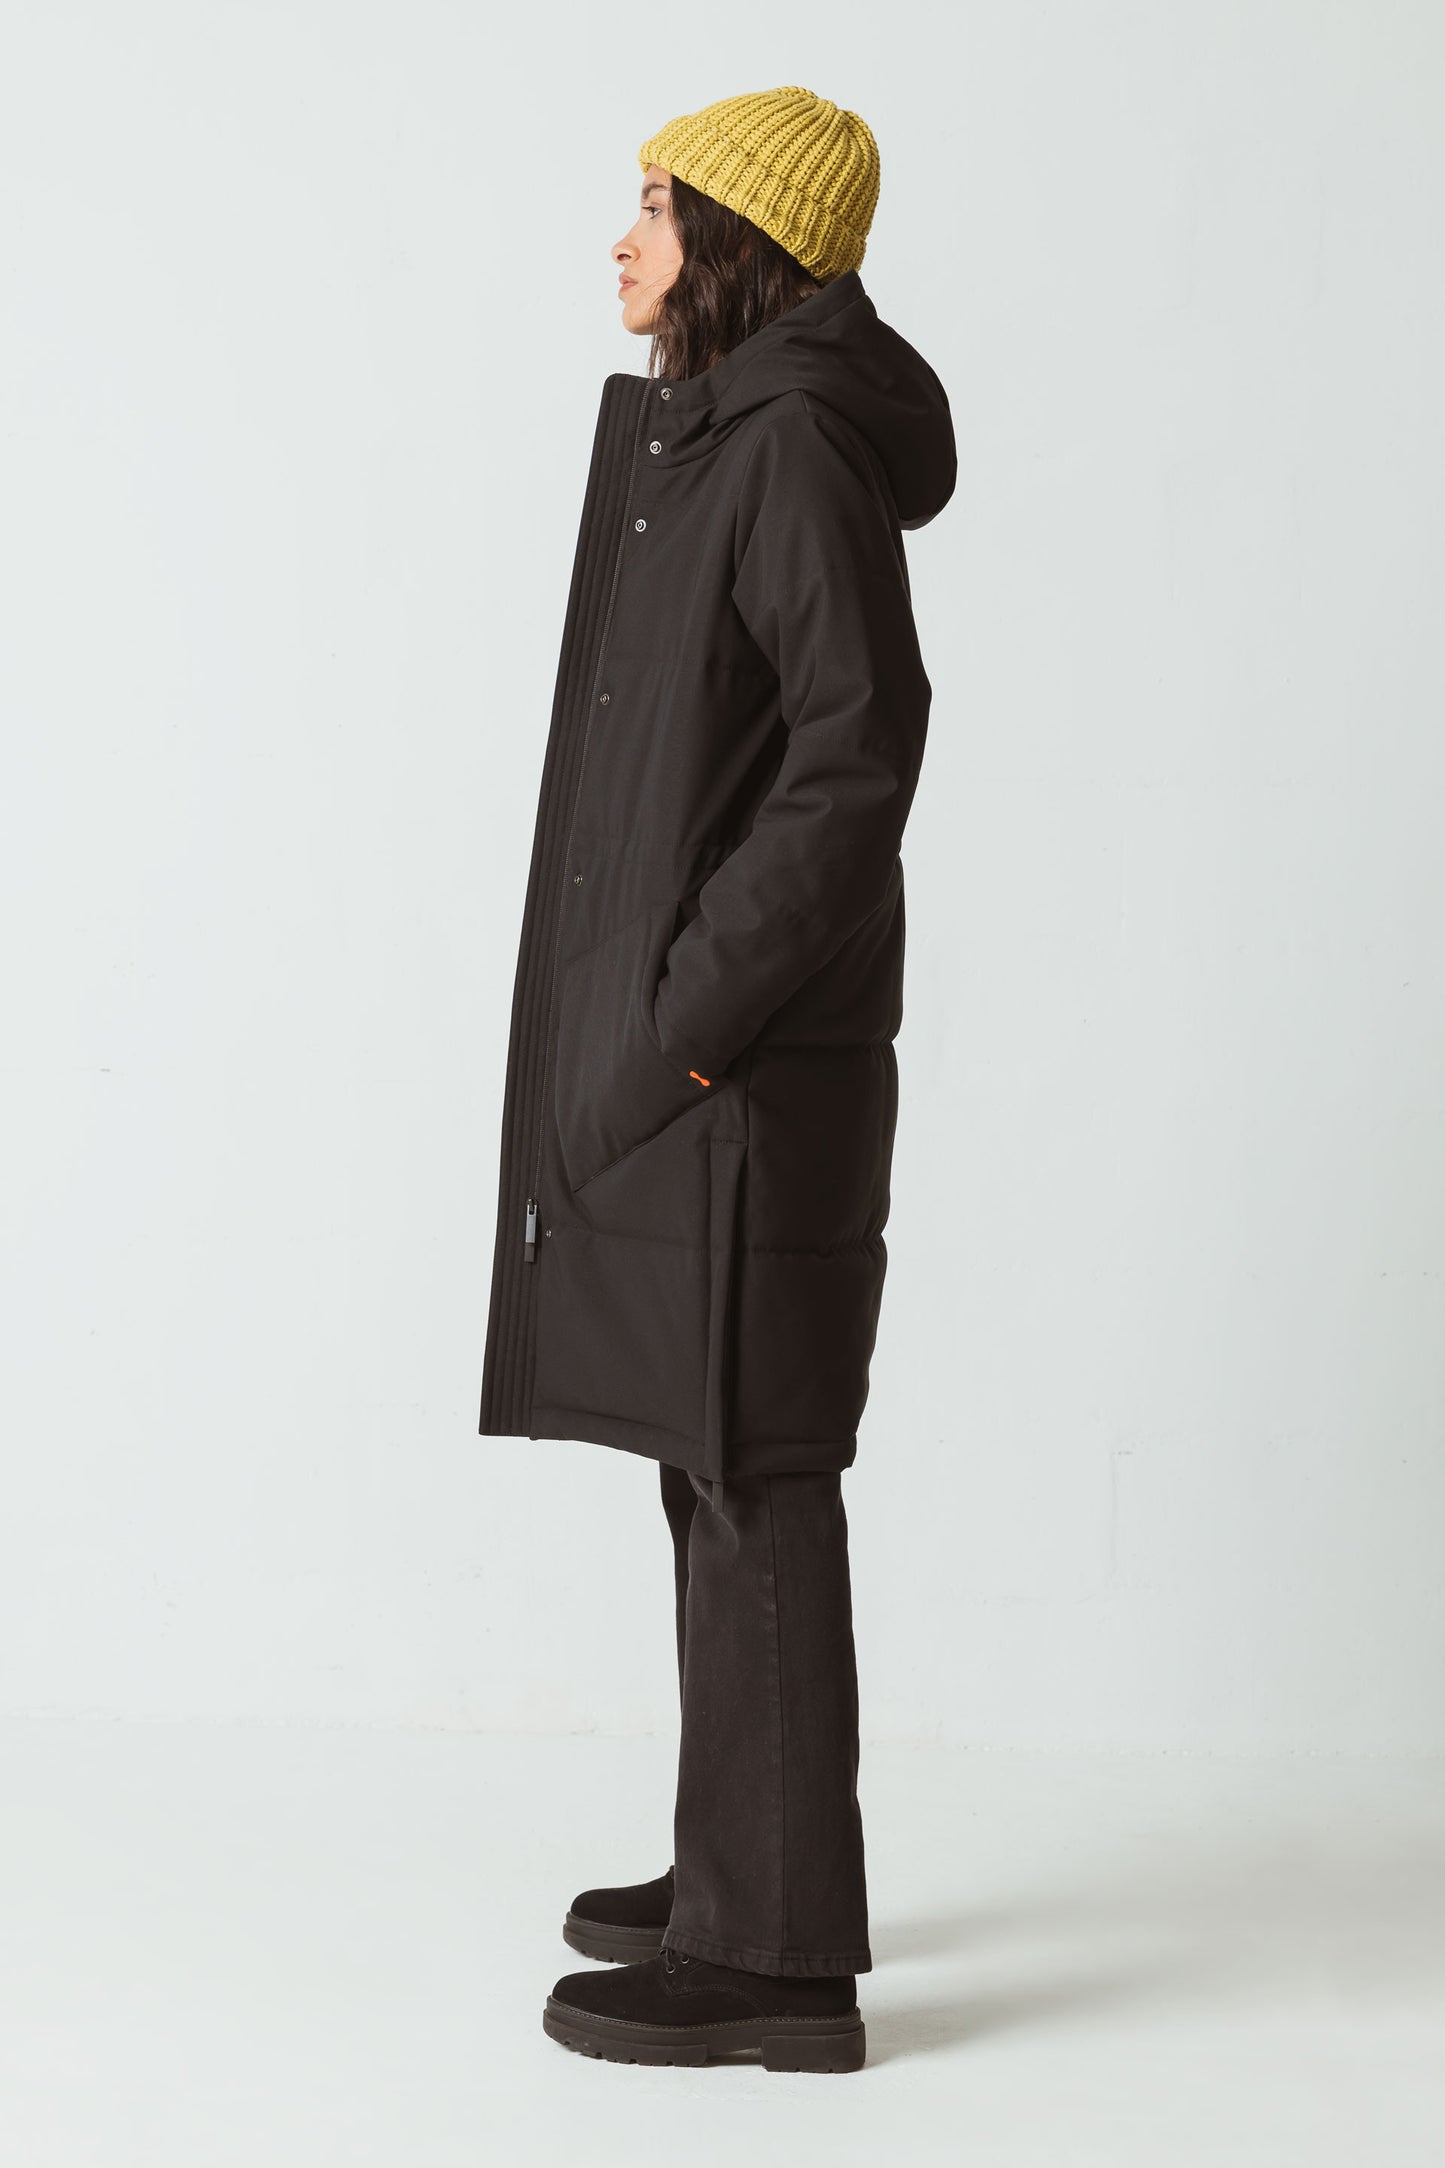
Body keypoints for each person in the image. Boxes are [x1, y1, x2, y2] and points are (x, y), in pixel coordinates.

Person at [476, 85, 956, 2071]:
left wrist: (688, 1009)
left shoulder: (791, 453)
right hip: (713, 1065)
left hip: (750, 1073)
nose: (625, 239)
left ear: (735, 244)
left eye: (657, 208)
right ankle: (738, 1868)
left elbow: (855, 758)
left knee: (758, 1468)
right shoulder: (722, 441)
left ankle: (775, 1964)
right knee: (713, 1456)